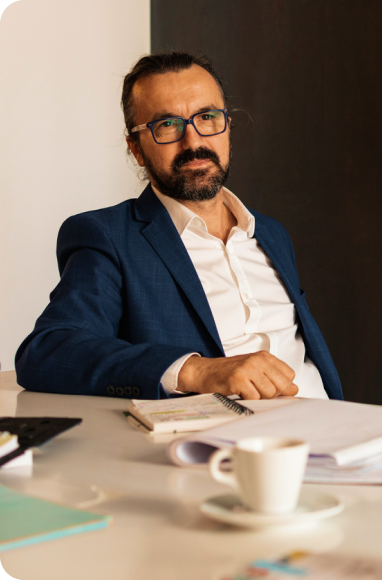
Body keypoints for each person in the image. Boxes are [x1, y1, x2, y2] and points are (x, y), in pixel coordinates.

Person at [15, 52, 343, 401]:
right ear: (136, 149)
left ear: (227, 126)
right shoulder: (108, 237)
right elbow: (48, 351)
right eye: (167, 125)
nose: (194, 142)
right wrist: (199, 371)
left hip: (336, 424)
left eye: (207, 117)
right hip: (232, 433)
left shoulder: (272, 233)